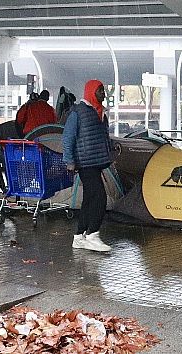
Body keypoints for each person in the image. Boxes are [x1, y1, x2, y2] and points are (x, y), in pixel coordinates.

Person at [62, 79, 112, 252]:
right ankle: (92, 235)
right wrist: (69, 161)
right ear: (91, 92)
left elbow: (103, 137)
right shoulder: (78, 112)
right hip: (85, 163)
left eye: (103, 90)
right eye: (100, 91)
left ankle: (79, 236)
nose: (103, 94)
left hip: (97, 162)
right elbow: (68, 138)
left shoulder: (101, 113)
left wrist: (110, 152)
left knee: (90, 199)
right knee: (100, 197)